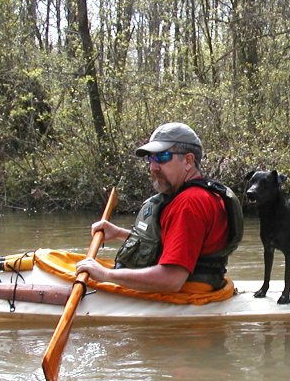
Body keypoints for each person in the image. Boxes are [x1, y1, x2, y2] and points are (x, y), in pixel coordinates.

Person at [75, 122, 243, 293]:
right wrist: (120, 233)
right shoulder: (197, 196)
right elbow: (179, 246)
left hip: (186, 296)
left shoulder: (189, 204)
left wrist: (105, 275)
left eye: (162, 157)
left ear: (188, 160)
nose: (153, 166)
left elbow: (171, 280)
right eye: (150, 158)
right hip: (199, 284)